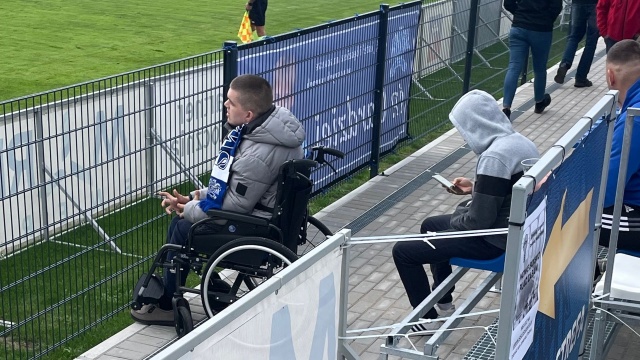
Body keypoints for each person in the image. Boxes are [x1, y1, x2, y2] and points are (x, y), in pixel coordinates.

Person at [131, 74, 306, 325]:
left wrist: (188, 209)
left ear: (247, 114)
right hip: (262, 218)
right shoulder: (269, 130)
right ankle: (203, 282)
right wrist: (192, 197)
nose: (225, 105)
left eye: (231, 102)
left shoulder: (258, 153)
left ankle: (168, 303)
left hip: (253, 226)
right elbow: (230, 186)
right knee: (184, 223)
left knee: (181, 229)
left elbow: (235, 205)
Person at [392, 90, 539, 333]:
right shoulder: (521, 142)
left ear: (476, 125)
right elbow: (506, 193)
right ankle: (444, 300)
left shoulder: (495, 156)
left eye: (463, 129)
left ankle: (425, 320)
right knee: (430, 224)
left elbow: (477, 222)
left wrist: (458, 218)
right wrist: (474, 189)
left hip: (494, 242)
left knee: (404, 252)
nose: (463, 137)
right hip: (513, 230)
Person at [598, 39, 640, 255]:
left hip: (635, 215)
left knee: (568, 211)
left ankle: (578, 286)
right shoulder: (631, 108)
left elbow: (607, 191)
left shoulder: (635, 119)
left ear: (610, 75)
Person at [502, 0, 563, 120]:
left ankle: (506, 108)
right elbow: (556, 6)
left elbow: (508, 3)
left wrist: (520, 14)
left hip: (519, 26)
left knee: (514, 67)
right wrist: (545, 19)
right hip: (541, 29)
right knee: (540, 68)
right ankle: (539, 102)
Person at [554, 0, 599, 88]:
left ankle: (565, 64)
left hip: (577, 3)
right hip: (595, 4)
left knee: (573, 37)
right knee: (591, 42)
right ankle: (581, 78)